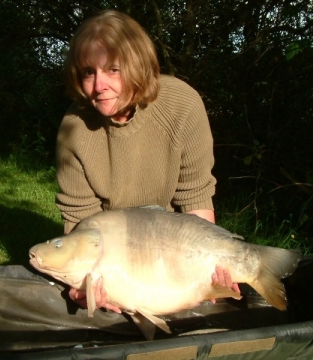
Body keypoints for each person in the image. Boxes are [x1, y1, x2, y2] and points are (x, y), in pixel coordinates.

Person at [55, 10, 240, 313]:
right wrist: (82, 287)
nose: (99, 84)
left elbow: (195, 196)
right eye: (88, 72)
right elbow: (80, 223)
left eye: (113, 69)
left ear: (138, 66)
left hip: (171, 240)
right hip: (112, 249)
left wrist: (214, 263)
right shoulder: (74, 130)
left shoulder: (182, 105)